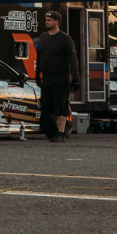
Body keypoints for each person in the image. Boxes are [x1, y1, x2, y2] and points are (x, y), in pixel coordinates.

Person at [35, 10, 80, 142]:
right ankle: (65, 126)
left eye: (49, 20)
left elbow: (73, 58)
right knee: (46, 109)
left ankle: (60, 133)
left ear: (57, 22)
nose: (46, 22)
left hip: (61, 79)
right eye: (46, 20)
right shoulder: (43, 37)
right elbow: (39, 56)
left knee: (60, 106)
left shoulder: (65, 39)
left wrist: (75, 77)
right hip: (47, 79)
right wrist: (37, 74)